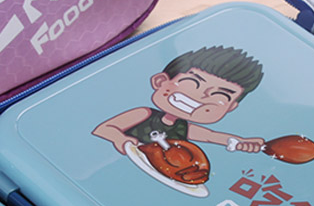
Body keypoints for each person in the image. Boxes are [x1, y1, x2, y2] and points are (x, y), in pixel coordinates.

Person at [92, 45, 266, 155]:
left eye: (220, 96)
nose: (202, 98)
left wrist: (241, 142)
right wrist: (120, 140)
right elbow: (104, 128)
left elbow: (211, 136)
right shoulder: (144, 114)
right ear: (160, 81)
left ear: (230, 107)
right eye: (192, 83)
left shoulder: (183, 128)